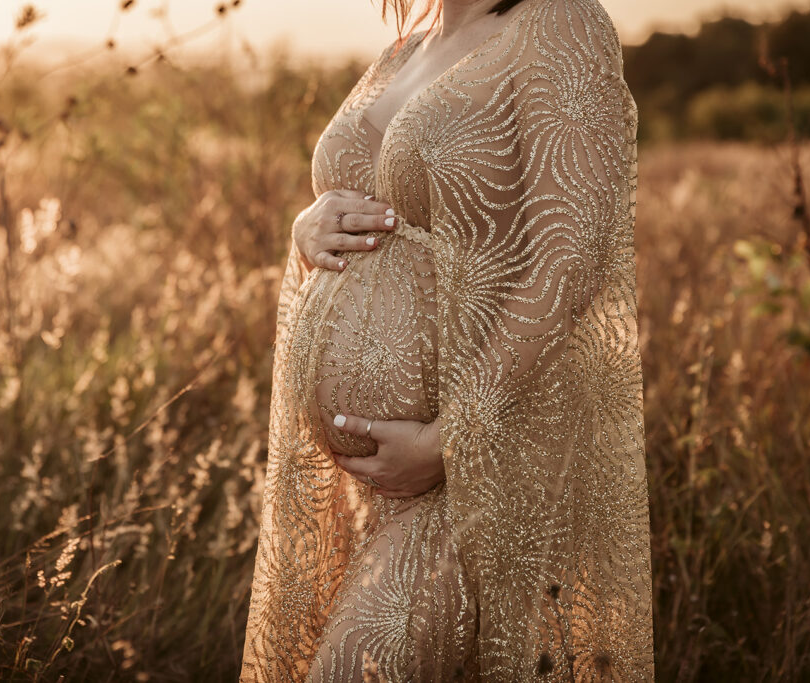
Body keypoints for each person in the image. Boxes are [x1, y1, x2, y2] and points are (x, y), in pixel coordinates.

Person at [241, 0, 653, 679]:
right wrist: (307, 228)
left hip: (476, 469)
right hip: (370, 490)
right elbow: (368, 201)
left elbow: (572, 254)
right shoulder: (405, 48)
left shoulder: (561, 20)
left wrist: (453, 438)